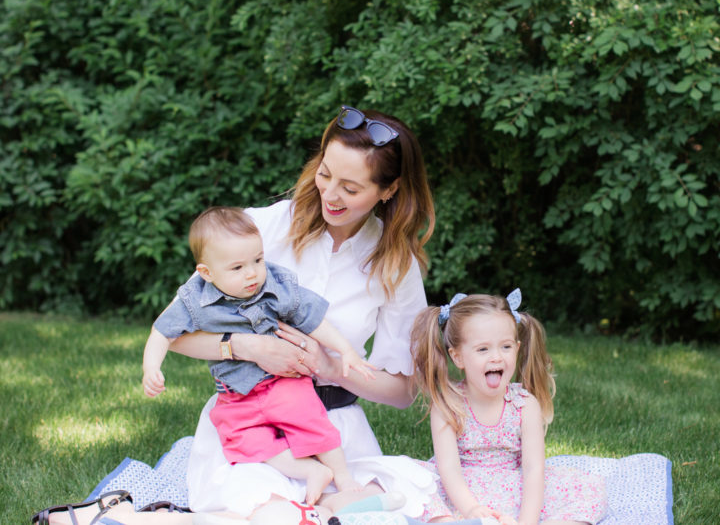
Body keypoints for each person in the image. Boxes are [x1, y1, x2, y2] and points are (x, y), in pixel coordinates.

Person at [168, 105, 437, 517]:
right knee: (271, 513)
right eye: (325, 174)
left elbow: (404, 393)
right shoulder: (265, 227)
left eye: (351, 188)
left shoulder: (396, 265)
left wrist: (330, 367)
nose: (329, 194)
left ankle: (334, 498)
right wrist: (244, 347)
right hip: (254, 429)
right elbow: (174, 332)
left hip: (333, 434)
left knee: (399, 502)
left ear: (388, 189)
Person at [142, 206, 376, 504]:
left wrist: (346, 350)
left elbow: (314, 320)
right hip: (236, 396)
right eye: (237, 268)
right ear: (206, 272)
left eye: (257, 260)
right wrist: (151, 368)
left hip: (283, 383)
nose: (252, 273)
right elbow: (163, 332)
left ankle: (342, 476)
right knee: (241, 441)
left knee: (310, 421)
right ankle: (310, 471)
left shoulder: (275, 287)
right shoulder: (195, 299)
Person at [410, 290, 607, 524]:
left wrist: (528, 520)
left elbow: (534, 469)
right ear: (458, 357)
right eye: (483, 349)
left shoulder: (524, 405)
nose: (496, 357)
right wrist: (472, 509)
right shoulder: (448, 405)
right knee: (410, 487)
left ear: (517, 347)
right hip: (461, 493)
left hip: (514, 488)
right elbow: (449, 470)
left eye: (505, 347)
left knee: (589, 490)